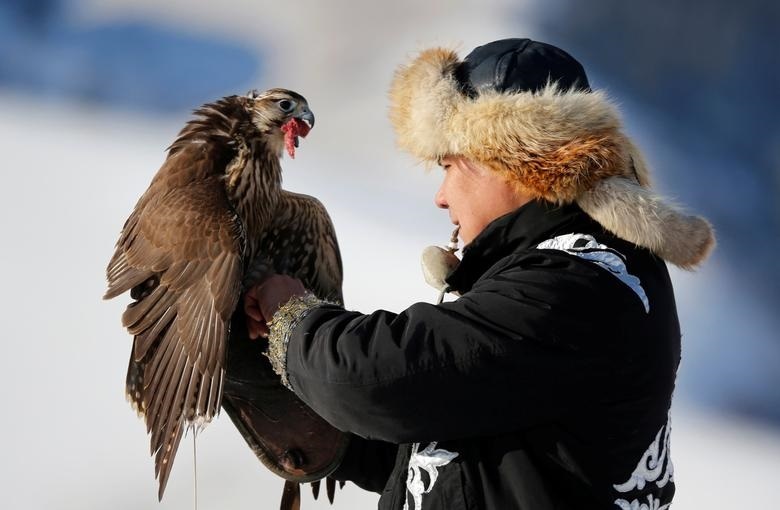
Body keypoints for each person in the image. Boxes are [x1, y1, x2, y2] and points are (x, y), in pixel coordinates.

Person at [243, 38, 715, 510]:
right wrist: (341, 442)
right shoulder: (570, 271)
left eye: (449, 166)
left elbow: (377, 376)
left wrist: (290, 315)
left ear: (511, 160)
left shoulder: (580, 283)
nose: (441, 196)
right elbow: (466, 446)